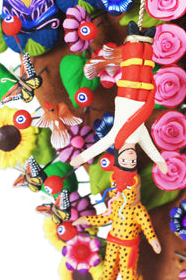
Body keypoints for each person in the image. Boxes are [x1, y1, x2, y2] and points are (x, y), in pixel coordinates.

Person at [70, 21, 168, 174]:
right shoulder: (140, 136)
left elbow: (98, 147)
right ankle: (147, 42)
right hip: (144, 96)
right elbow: (151, 149)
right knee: (145, 68)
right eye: (132, 162)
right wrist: (160, 162)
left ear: (118, 156)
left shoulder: (115, 137)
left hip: (127, 93)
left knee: (132, 68)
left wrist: (81, 158)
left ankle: (133, 38)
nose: (130, 158)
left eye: (124, 161)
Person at [74, 145, 161, 280]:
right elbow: (104, 218)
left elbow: (146, 225)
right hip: (113, 241)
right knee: (109, 268)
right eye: (116, 187)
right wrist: (86, 219)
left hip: (129, 246)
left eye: (128, 188)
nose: (122, 192)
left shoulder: (137, 209)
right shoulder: (114, 205)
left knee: (128, 272)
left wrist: (153, 240)